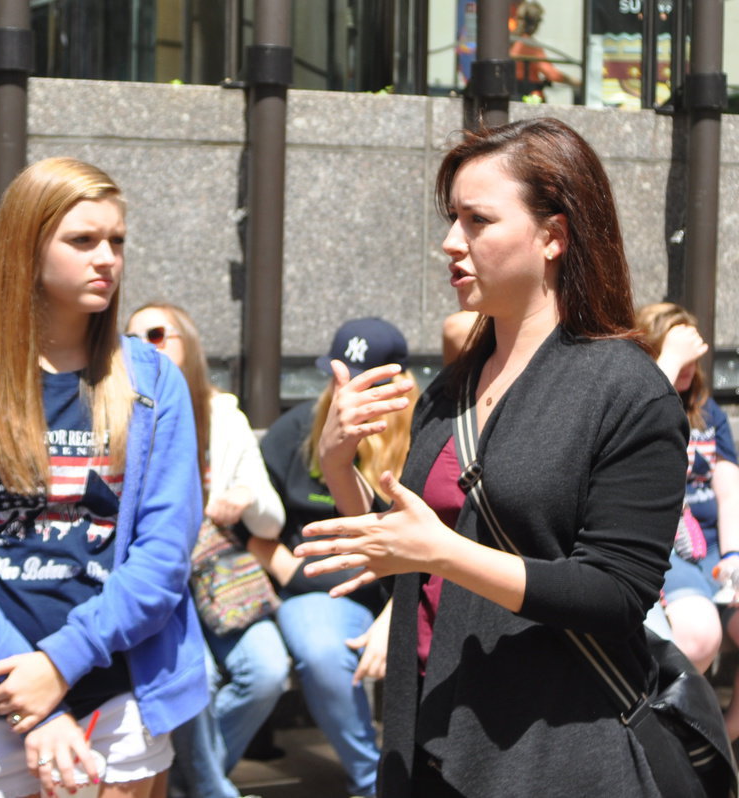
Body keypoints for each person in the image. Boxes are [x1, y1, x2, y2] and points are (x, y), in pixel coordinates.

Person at [297, 117, 688, 796]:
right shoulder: (451, 388)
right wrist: (338, 462)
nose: (450, 243)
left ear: (554, 236)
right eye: (452, 219)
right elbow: (411, 568)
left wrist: (442, 553)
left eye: (477, 221)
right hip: (425, 732)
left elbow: (617, 593)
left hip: (552, 751)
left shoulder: (627, 389)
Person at [0, 157, 208, 798]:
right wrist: (30, 696)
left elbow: (164, 558)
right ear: (27, 249)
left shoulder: (152, 381)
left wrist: (61, 663)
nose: (106, 258)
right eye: (83, 240)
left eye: (116, 241)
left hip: (118, 697)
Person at [125, 303, 288, 798]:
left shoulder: (222, 415)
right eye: (132, 339)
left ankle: (192, 784)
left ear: (187, 344)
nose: (145, 347)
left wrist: (246, 500)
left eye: (157, 334)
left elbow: (272, 520)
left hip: (220, 577)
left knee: (267, 670)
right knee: (195, 682)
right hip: (158, 582)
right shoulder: (119, 412)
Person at [248, 317, 416, 798]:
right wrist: (282, 565)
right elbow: (247, 514)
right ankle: (371, 780)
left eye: (367, 382)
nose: (346, 393)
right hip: (321, 587)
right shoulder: (300, 427)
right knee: (324, 654)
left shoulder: (426, 430)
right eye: (337, 377)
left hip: (404, 588)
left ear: (400, 383)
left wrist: (396, 611)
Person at [637, 302, 739, 736]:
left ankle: (727, 734)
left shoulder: (707, 411)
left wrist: (735, 552)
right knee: (698, 636)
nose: (690, 364)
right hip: (666, 546)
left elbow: (728, 482)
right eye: (680, 350)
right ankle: (675, 734)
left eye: (694, 353)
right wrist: (664, 365)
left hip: (714, 543)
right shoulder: (638, 401)